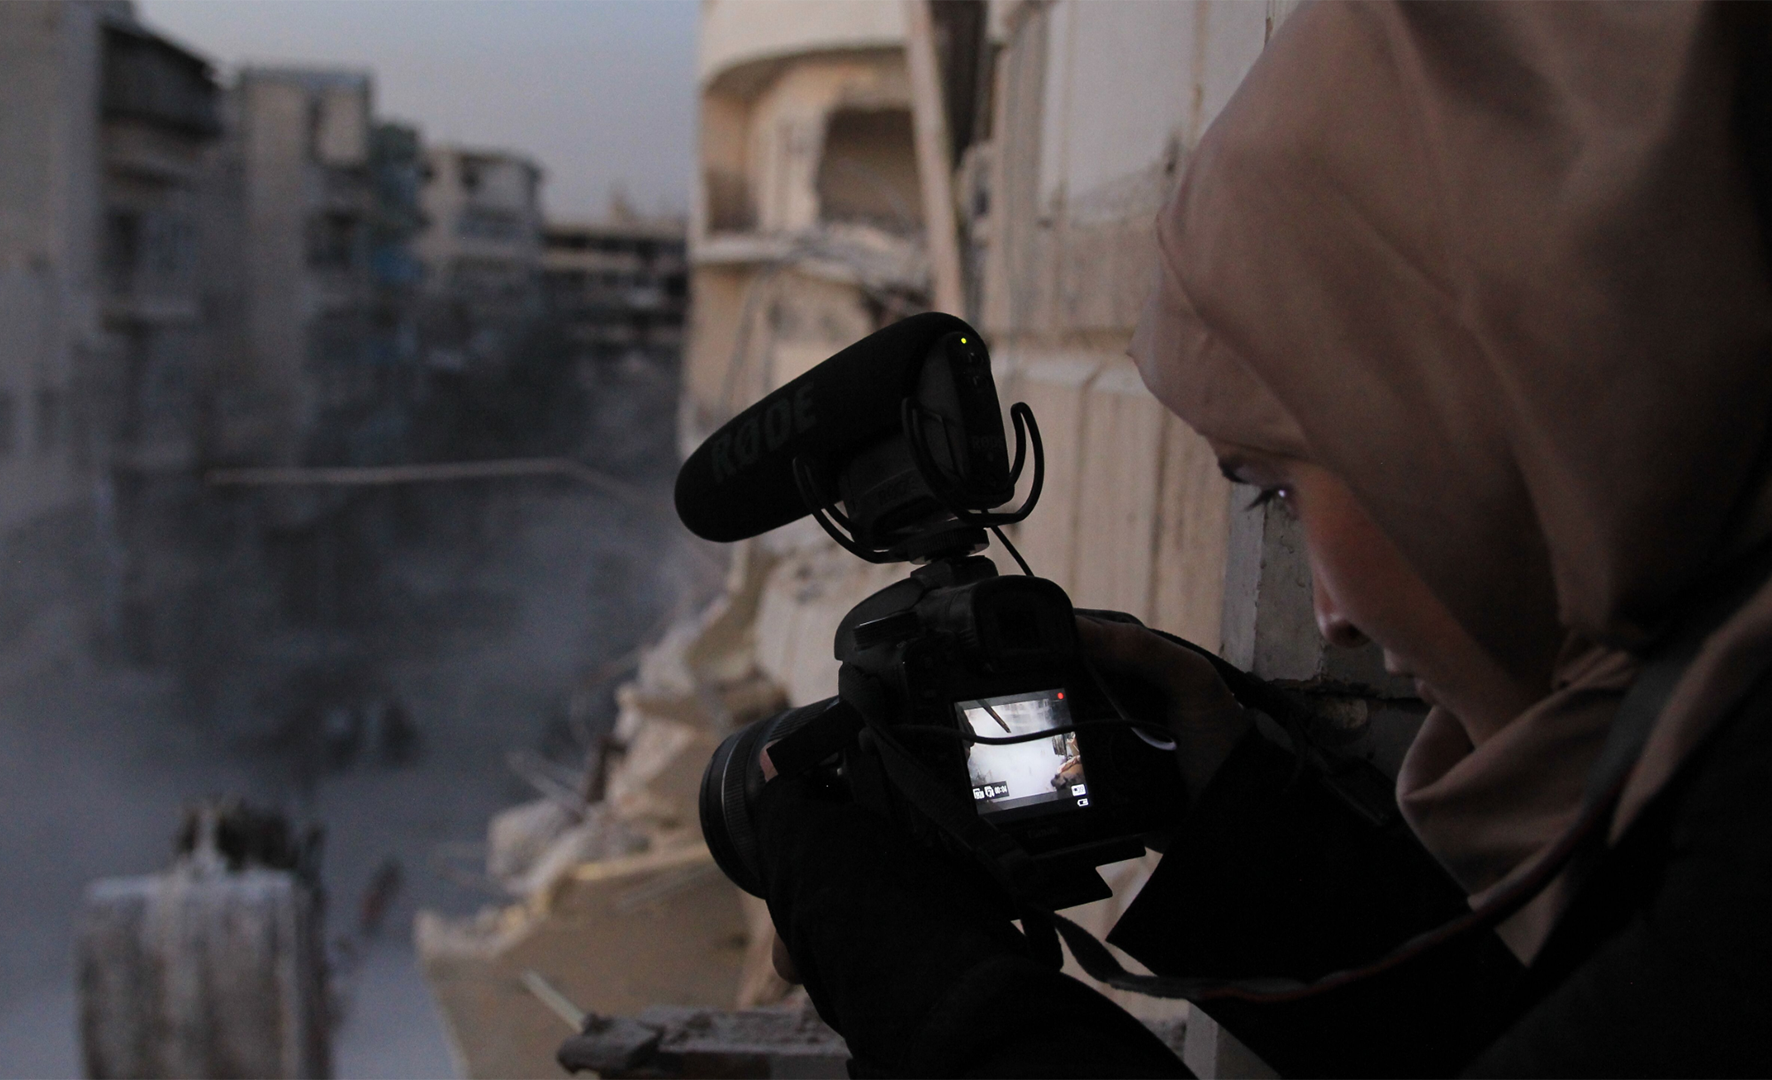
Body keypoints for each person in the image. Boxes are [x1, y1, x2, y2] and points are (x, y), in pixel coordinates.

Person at [750, 1, 1772, 1077]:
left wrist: (924, 987)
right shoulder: (1700, 753)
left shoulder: (1740, 870)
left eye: (1279, 489)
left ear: (1484, 413)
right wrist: (1230, 808)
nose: (1331, 616)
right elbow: (1515, 1025)